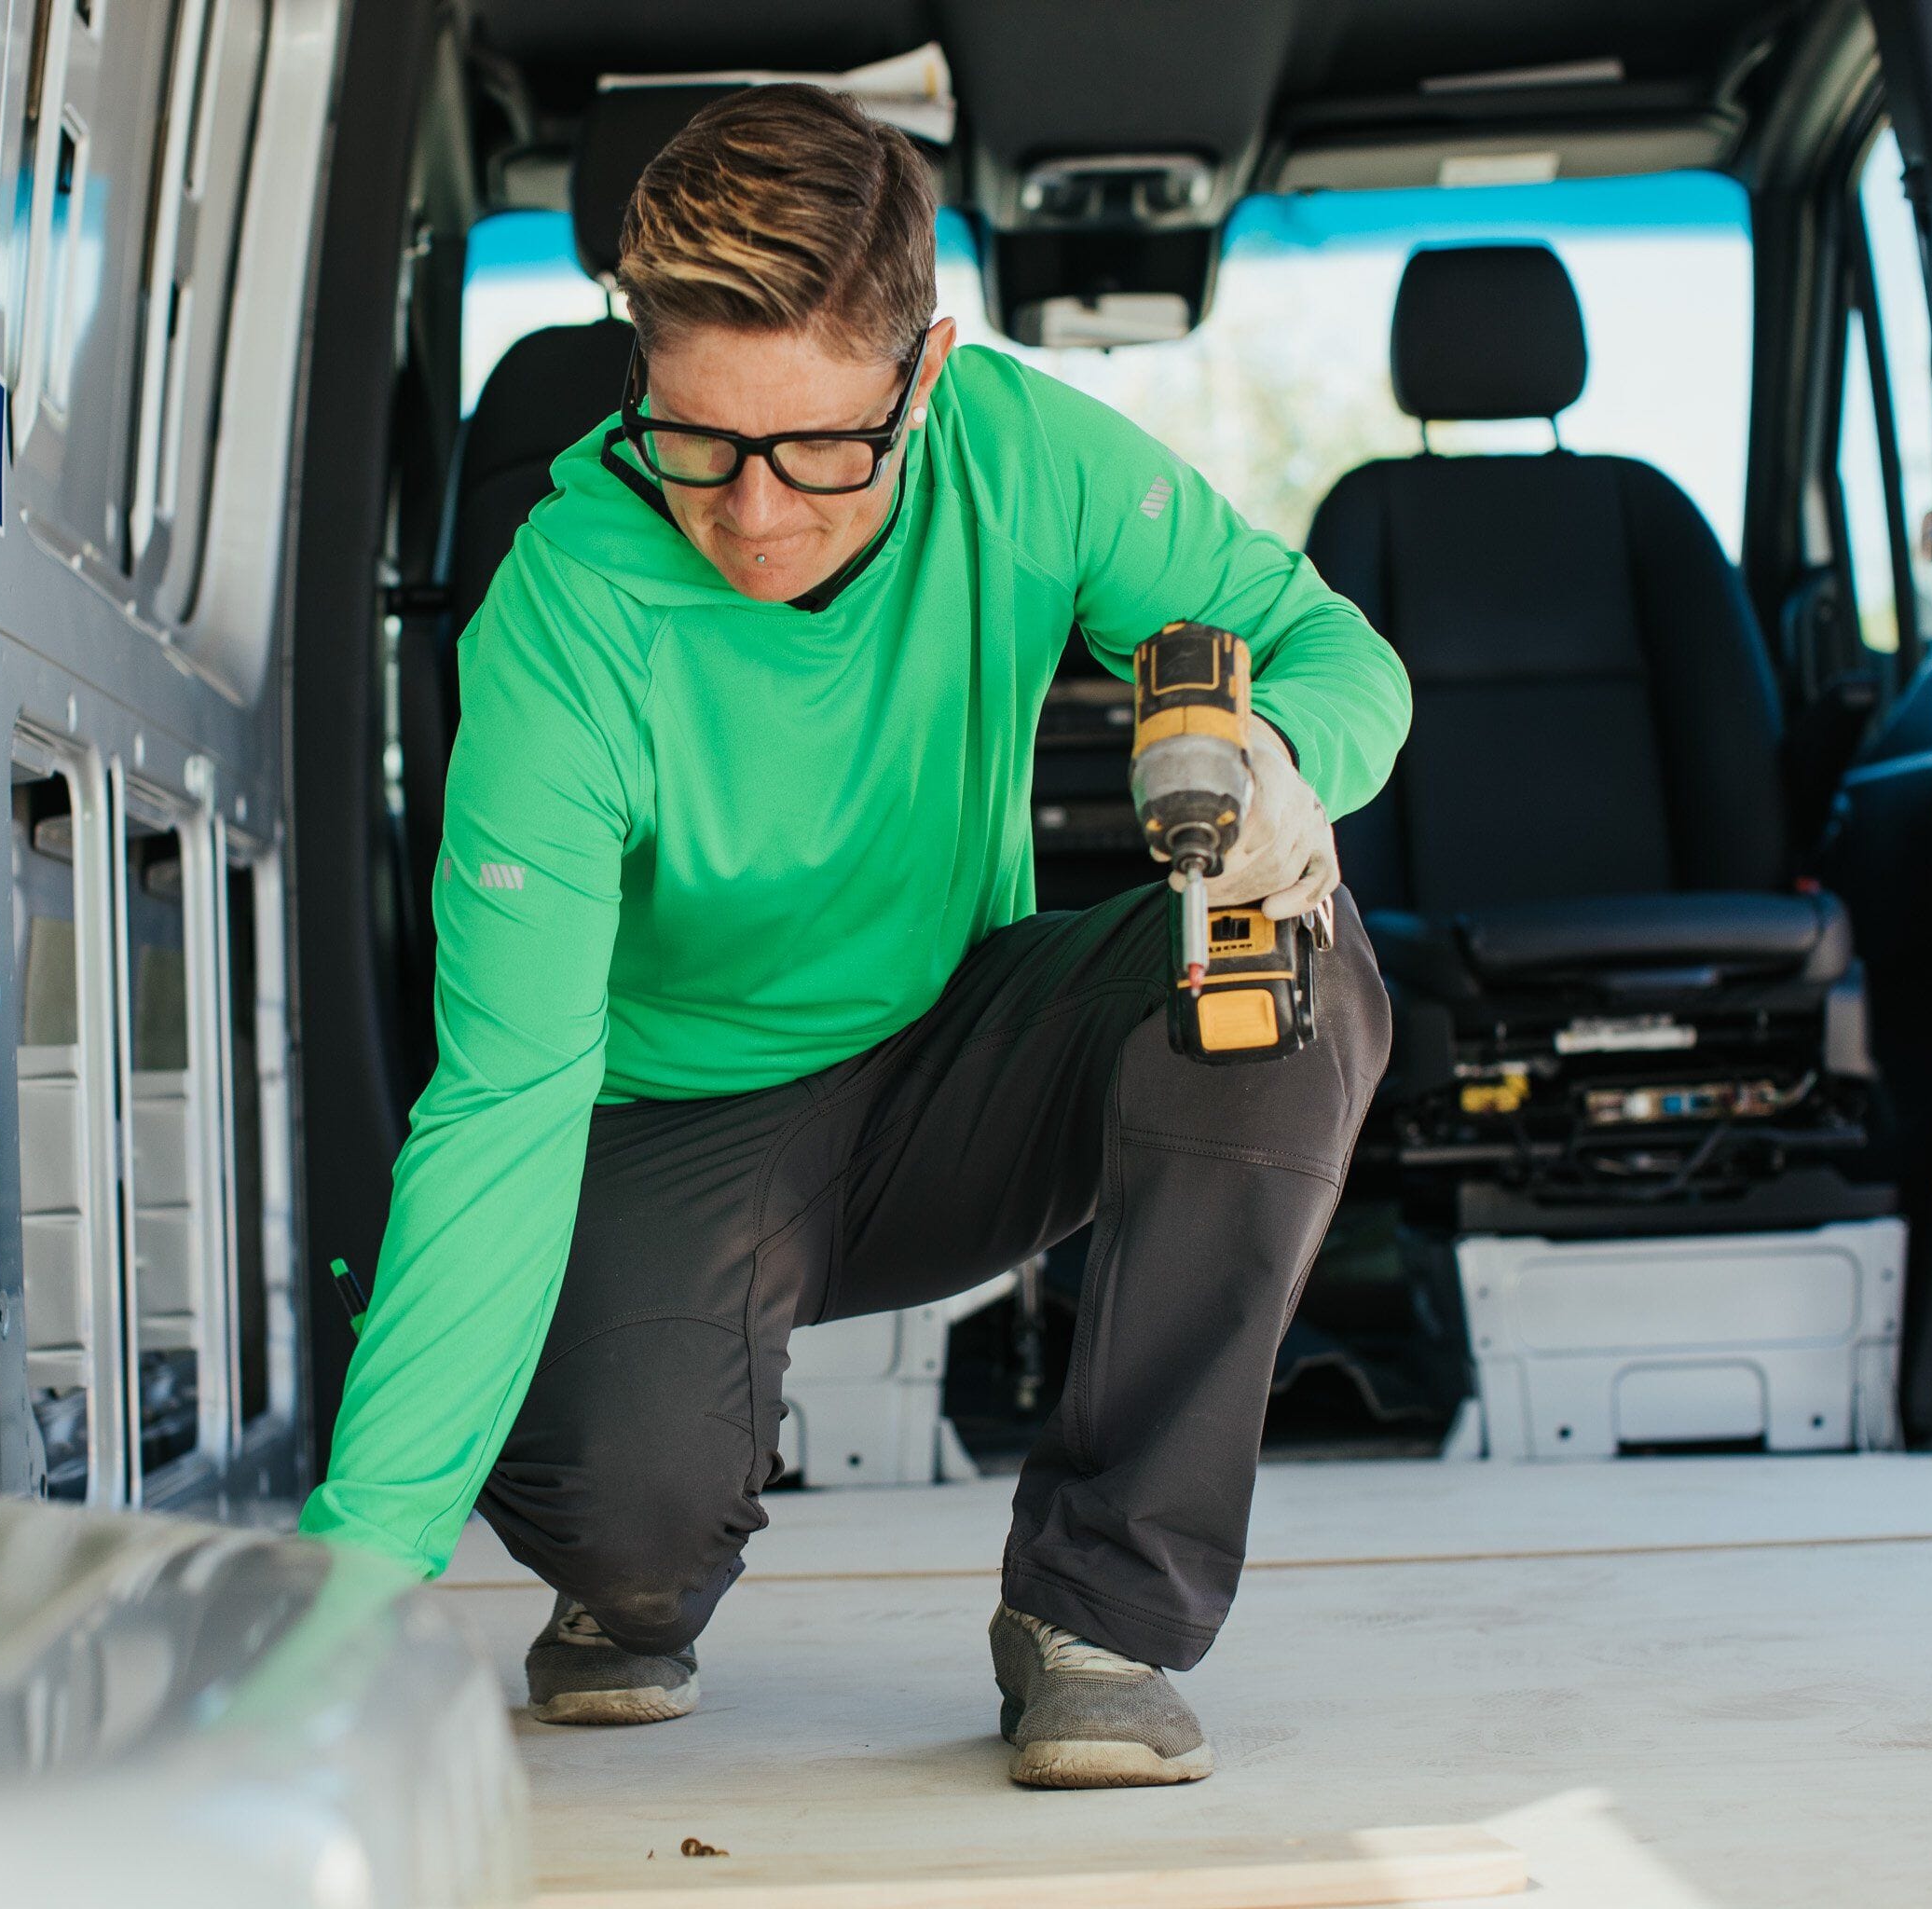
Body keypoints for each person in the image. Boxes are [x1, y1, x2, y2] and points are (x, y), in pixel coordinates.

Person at [301, 83, 1406, 1789]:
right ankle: (617, 1591)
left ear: (927, 370)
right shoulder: (563, 614)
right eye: (699, 439)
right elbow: (505, 1099)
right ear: (638, 366)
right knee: (628, 1524)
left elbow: (1335, 654)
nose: (753, 512)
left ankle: (1097, 1613)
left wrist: (1286, 767)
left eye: (820, 447)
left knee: (1293, 959)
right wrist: (345, 1586)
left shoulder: (1028, 457)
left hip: (958, 1066)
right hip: (672, 1128)